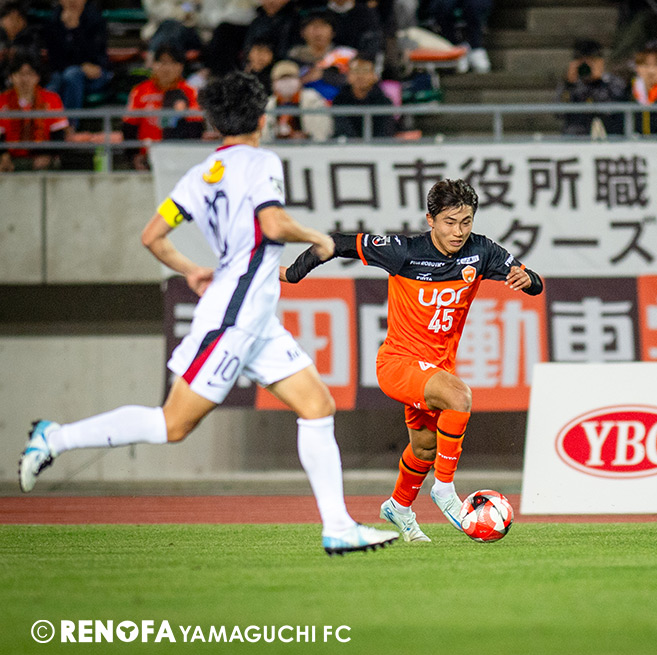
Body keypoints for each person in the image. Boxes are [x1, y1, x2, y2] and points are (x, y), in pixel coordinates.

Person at [17, 71, 397, 556]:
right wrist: (316, 237)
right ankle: (55, 437)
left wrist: (192, 269)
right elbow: (272, 222)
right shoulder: (261, 160)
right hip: (234, 316)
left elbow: (152, 236)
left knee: (317, 406)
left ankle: (338, 526)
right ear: (262, 118)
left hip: (254, 318)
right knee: (172, 424)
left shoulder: (200, 175)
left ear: (215, 122)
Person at [280, 179, 544, 542]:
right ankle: (445, 490)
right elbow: (337, 242)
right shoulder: (403, 252)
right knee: (459, 396)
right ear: (430, 219)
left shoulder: (482, 251)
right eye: (449, 222)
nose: (458, 231)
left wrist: (527, 279)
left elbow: (534, 282)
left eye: (466, 222)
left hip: (436, 369)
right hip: (398, 363)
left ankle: (399, 506)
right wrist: (294, 273)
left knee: (425, 449)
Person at [123, 44, 204, 170]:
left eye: (172, 63)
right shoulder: (139, 91)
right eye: (161, 62)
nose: (166, 68)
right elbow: (129, 127)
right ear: (153, 64)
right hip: (146, 159)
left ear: (181, 66)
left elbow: (195, 128)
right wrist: (134, 156)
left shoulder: (191, 92)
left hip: (179, 159)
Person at [0, 51, 69, 171]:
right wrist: (4, 156)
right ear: (11, 77)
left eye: (29, 74)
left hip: (44, 157)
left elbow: (59, 136)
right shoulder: (2, 101)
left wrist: (47, 155)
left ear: (37, 77)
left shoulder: (52, 99)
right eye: (19, 74)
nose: (24, 79)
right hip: (10, 157)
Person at [42, 0, 111, 118]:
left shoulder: (95, 19)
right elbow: (55, 59)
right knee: (54, 83)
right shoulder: (53, 20)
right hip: (63, 71)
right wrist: (81, 65)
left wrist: (75, 30)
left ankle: (70, 125)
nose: (72, 1)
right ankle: (48, 125)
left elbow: (95, 56)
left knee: (72, 75)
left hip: (95, 75)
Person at [556, 39, 629, 136]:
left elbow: (615, 110)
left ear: (600, 61)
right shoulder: (570, 84)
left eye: (592, 60)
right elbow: (559, 113)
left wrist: (599, 82)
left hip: (608, 137)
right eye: (582, 61)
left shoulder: (613, 82)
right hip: (576, 138)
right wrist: (568, 85)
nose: (587, 65)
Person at [262, 59, 333, 140]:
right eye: (282, 78)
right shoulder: (268, 104)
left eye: (290, 77)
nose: (287, 82)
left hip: (307, 145)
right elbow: (263, 135)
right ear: (273, 83)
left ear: (299, 80)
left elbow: (322, 130)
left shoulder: (312, 99)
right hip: (276, 145)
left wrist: (305, 137)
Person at [331, 56, 396, 138]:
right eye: (356, 71)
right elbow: (342, 130)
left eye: (365, 71)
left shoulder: (384, 103)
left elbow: (385, 133)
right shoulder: (339, 101)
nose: (360, 76)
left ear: (375, 76)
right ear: (348, 75)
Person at [0, 1, 42, 85]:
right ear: (1, 21)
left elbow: (34, 59)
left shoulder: (31, 37)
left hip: (25, 80)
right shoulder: (2, 39)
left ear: (24, 22)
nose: (14, 22)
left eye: (19, 18)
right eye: (10, 18)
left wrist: (16, 53)